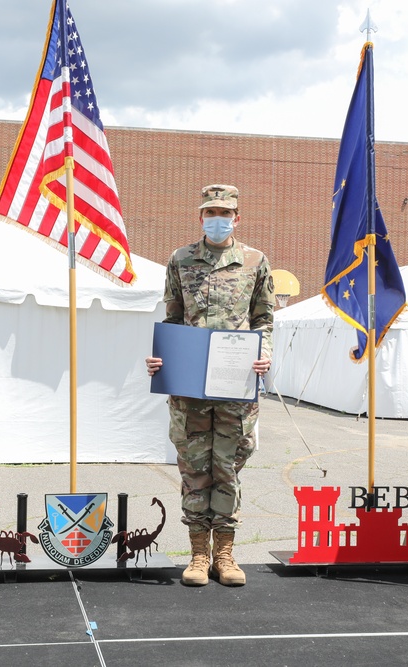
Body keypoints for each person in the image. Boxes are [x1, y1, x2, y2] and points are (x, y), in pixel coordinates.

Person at [145, 184, 275, 587]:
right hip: (190, 389)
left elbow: (264, 320)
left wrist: (264, 353)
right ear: (200, 217)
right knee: (194, 469)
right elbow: (172, 319)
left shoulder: (255, 261)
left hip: (236, 386)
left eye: (224, 213)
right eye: (209, 212)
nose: (216, 219)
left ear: (237, 217)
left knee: (229, 468)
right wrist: (161, 358)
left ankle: (226, 554)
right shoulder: (180, 259)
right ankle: (199, 554)